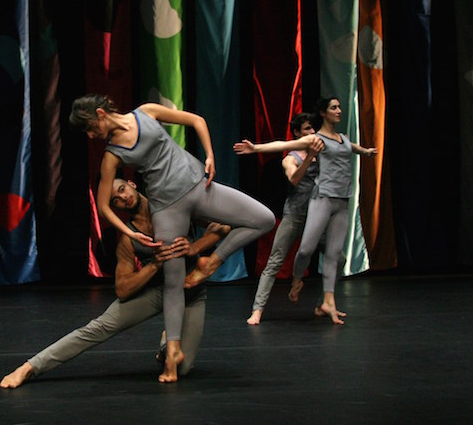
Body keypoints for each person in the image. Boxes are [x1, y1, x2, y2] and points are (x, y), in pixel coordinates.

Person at [70, 94, 303, 382]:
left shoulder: (146, 112)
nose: (92, 135)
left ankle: (212, 263)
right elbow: (104, 206)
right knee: (173, 281)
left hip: (199, 185)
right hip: (166, 208)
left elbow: (196, 120)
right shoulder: (111, 155)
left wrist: (209, 155)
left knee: (264, 218)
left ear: (101, 114)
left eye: (90, 128)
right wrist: (130, 232)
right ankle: (173, 353)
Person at [0, 178, 230, 389]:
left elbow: (223, 224)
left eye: (122, 190)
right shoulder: (128, 240)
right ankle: (30, 367)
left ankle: (166, 344)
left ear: (132, 184)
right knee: (98, 328)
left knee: (183, 368)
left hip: (191, 293)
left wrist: (195, 247)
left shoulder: (174, 207)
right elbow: (122, 289)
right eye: (116, 201)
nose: (123, 198)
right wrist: (154, 265)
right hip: (158, 291)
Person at [289, 96, 377, 325]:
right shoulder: (316, 139)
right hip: (323, 199)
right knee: (306, 249)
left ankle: (328, 301)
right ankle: (297, 278)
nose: (339, 111)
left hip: (342, 202)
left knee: (333, 255)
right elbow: (285, 146)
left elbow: (351, 147)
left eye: (339, 107)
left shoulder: (343, 139)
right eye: (334, 108)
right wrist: (255, 148)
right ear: (324, 113)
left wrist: (366, 152)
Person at [232, 113, 323, 325]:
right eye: (307, 129)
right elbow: (294, 177)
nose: (312, 133)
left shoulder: (321, 151)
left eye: (313, 129)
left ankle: (321, 301)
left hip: (318, 215)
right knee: (274, 261)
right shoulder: (291, 158)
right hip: (295, 215)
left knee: (339, 259)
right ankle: (257, 310)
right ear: (298, 134)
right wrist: (255, 149)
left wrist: (364, 151)